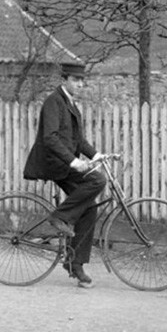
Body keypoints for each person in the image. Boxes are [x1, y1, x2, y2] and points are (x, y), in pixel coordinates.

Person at [24, 62, 110, 288]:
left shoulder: (70, 104)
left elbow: (78, 140)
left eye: (82, 81)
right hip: (54, 163)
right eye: (75, 80)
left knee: (89, 207)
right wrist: (73, 162)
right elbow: (50, 138)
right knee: (97, 180)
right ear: (64, 80)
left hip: (64, 163)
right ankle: (59, 216)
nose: (79, 84)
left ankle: (75, 264)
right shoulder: (54, 102)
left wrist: (96, 155)